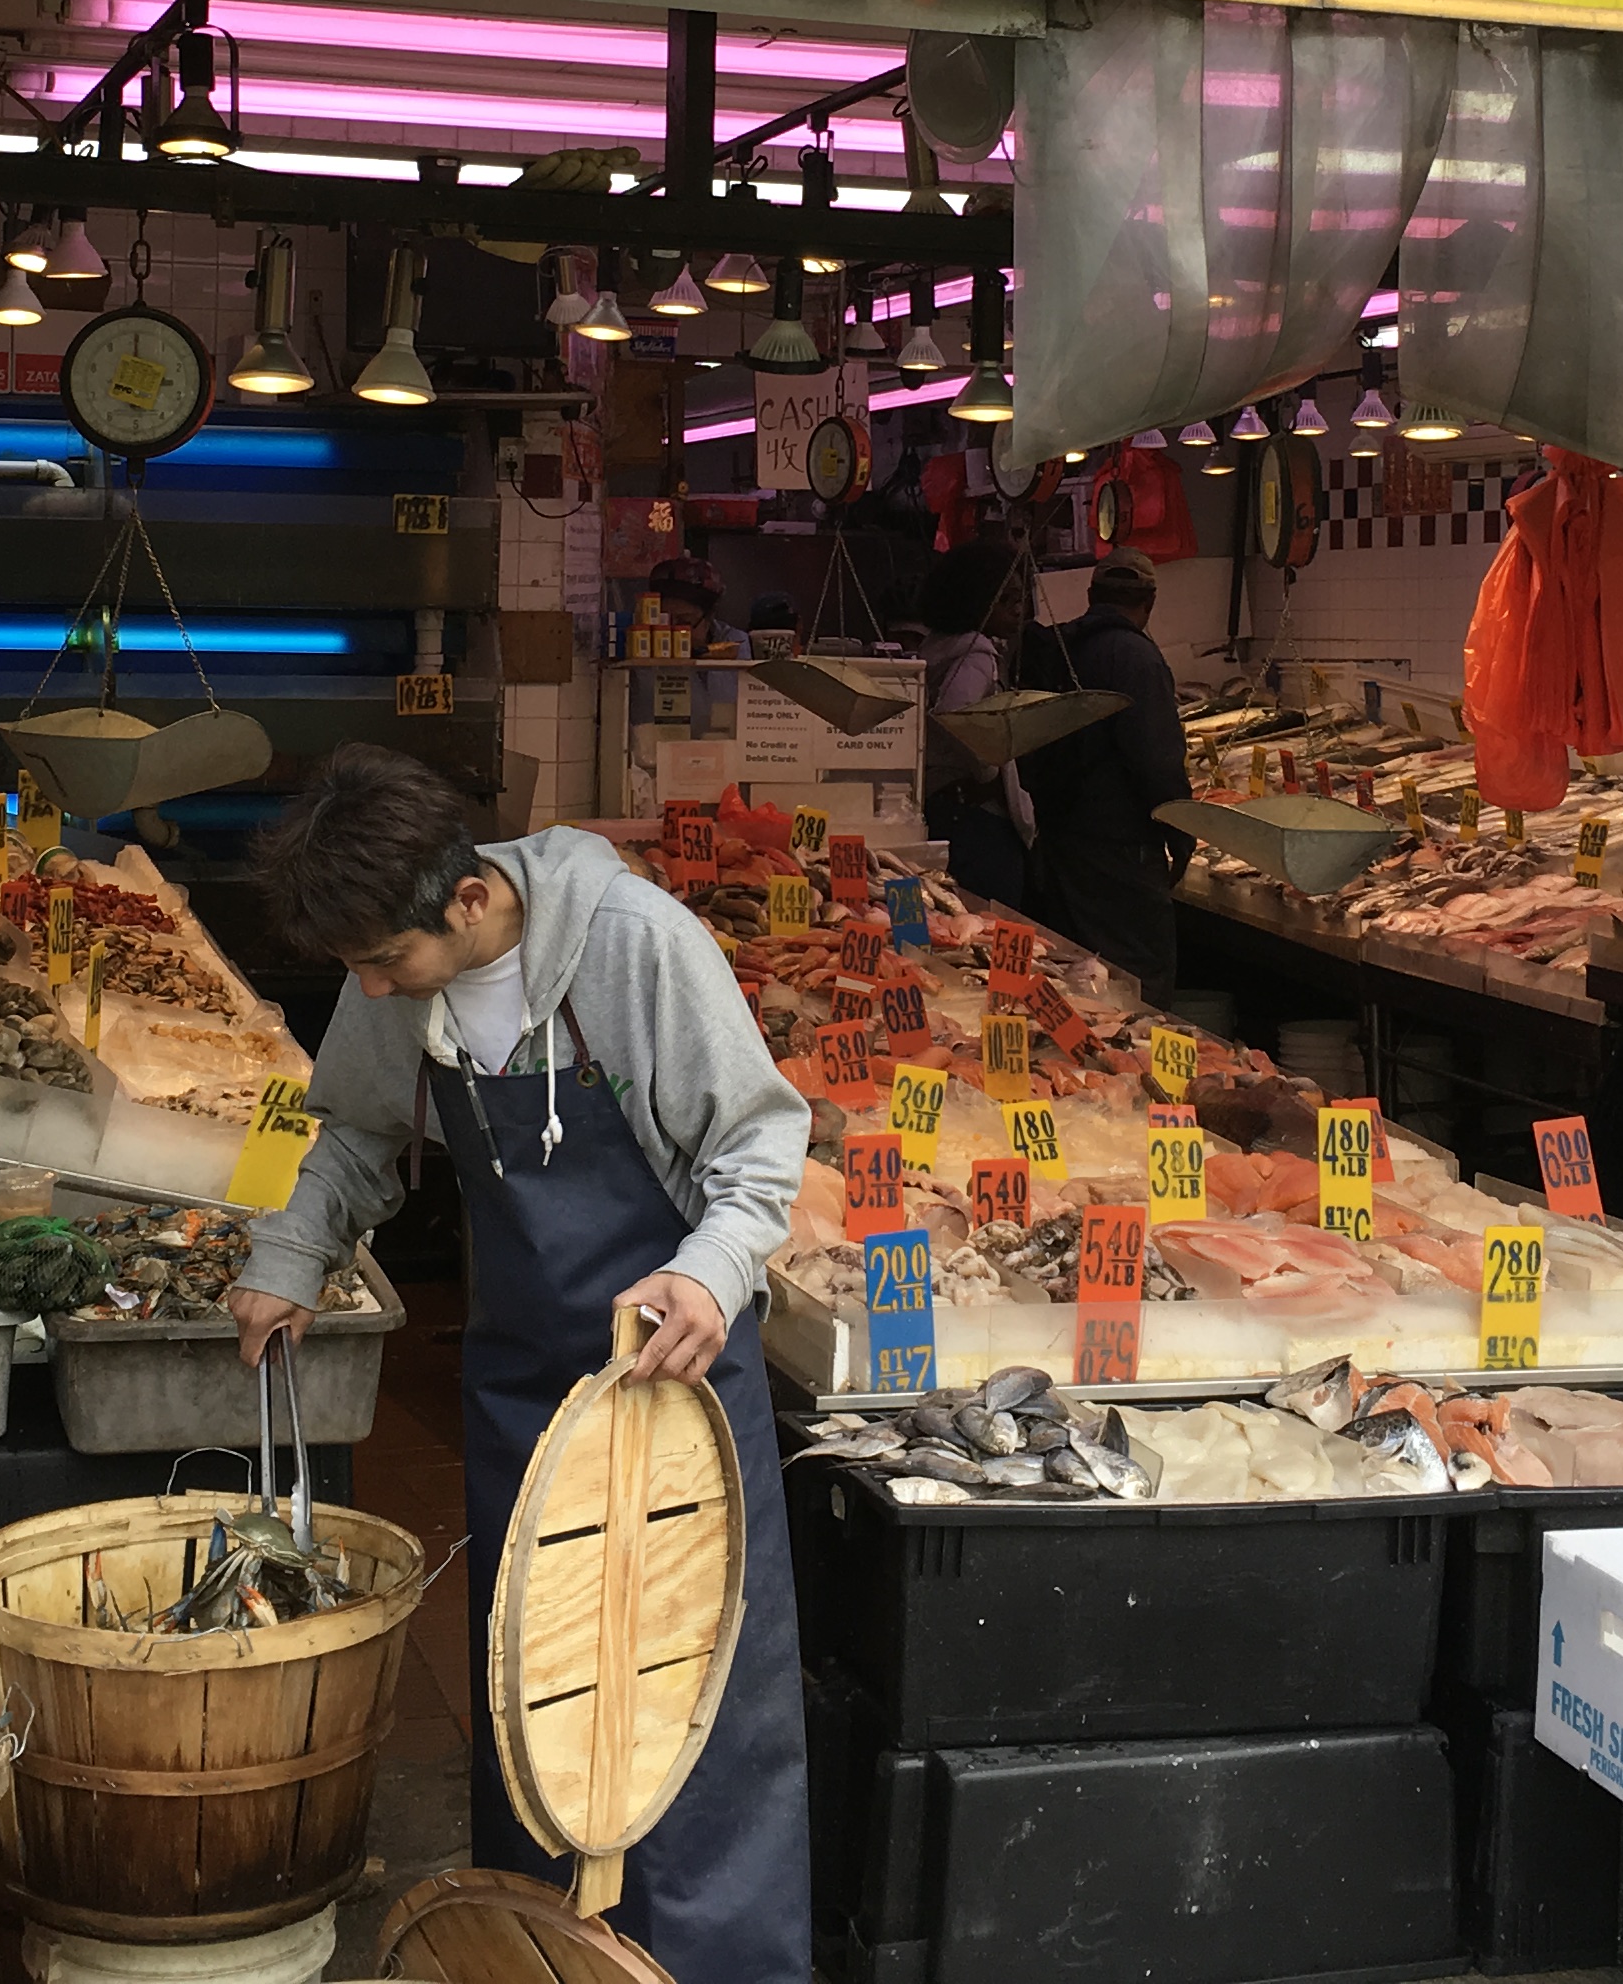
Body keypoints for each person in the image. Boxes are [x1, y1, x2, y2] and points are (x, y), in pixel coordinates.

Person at [227, 748, 811, 1978]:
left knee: (687, 1705)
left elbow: (759, 1152)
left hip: (676, 1389)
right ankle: (535, 1957)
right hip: (522, 1398)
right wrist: (288, 1258)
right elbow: (350, 1137)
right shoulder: (393, 993)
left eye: (389, 960)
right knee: (531, 1695)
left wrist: (708, 1273)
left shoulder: (638, 947)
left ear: (473, 900)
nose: (375, 990)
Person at [1021, 550, 1195, 983]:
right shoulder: (1137, 657)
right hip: (1120, 853)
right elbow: (1155, 758)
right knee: (1136, 978)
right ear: (1149, 602)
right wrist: (1182, 829)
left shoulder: (1057, 647)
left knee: (1074, 972)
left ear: (1091, 595)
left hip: (1061, 844)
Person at [917, 536, 1037, 906]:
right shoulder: (977, 652)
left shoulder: (938, 645)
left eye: (1020, 599)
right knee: (990, 920)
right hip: (975, 819)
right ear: (977, 601)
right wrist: (986, 772)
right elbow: (955, 712)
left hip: (944, 808)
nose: (1018, 610)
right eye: (1006, 600)